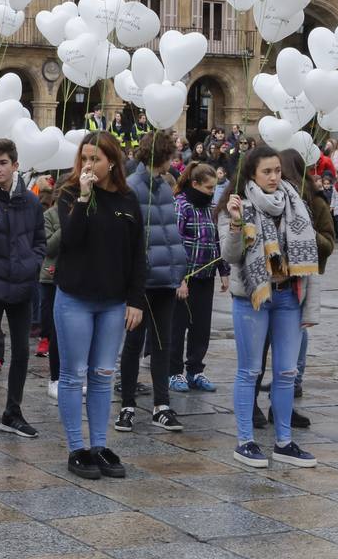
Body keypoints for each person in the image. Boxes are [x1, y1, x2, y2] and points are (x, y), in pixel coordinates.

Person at [51, 131, 145, 480]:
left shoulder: (128, 199)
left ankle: (99, 445)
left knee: (104, 374)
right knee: (74, 375)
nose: (89, 165)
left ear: (112, 162)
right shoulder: (69, 194)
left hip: (112, 300)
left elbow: (138, 254)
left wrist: (136, 300)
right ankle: (77, 447)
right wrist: (84, 198)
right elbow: (71, 241)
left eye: (96, 159)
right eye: (84, 158)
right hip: (75, 296)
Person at [218, 146, 320, 470]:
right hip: (253, 296)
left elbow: (310, 252)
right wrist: (236, 225)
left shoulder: (295, 203)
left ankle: (284, 442)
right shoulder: (239, 206)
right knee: (249, 370)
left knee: (287, 371)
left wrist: (310, 305)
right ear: (252, 175)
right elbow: (230, 256)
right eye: (267, 172)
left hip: (289, 295)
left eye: (277, 170)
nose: (275, 177)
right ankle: (245, 441)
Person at [0, 138, 45, 440]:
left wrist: (33, 263)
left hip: (22, 284)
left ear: (15, 165)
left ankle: (13, 412)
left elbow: (40, 240)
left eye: (4, 163)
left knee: (22, 352)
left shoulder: (30, 201)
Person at [115, 131, 186, 434]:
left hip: (166, 279)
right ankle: (127, 405)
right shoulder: (132, 188)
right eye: (171, 157)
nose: (173, 163)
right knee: (133, 344)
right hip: (142, 282)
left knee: (162, 343)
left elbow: (170, 232)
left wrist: (179, 271)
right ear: (162, 157)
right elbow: (128, 239)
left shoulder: (166, 188)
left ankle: (162, 405)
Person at [170, 163, 228, 394]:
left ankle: (195, 370)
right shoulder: (181, 206)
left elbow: (217, 241)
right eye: (208, 187)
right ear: (194, 184)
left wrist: (223, 271)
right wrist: (179, 278)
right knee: (177, 326)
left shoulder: (211, 208)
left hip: (206, 276)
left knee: (201, 327)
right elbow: (173, 243)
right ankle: (173, 372)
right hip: (185, 278)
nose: (212, 192)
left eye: (214, 187)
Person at [38, 181, 64, 401]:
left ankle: (69, 377)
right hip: (51, 276)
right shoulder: (50, 215)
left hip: (75, 277)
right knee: (55, 328)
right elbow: (47, 247)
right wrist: (66, 227)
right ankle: (55, 378)